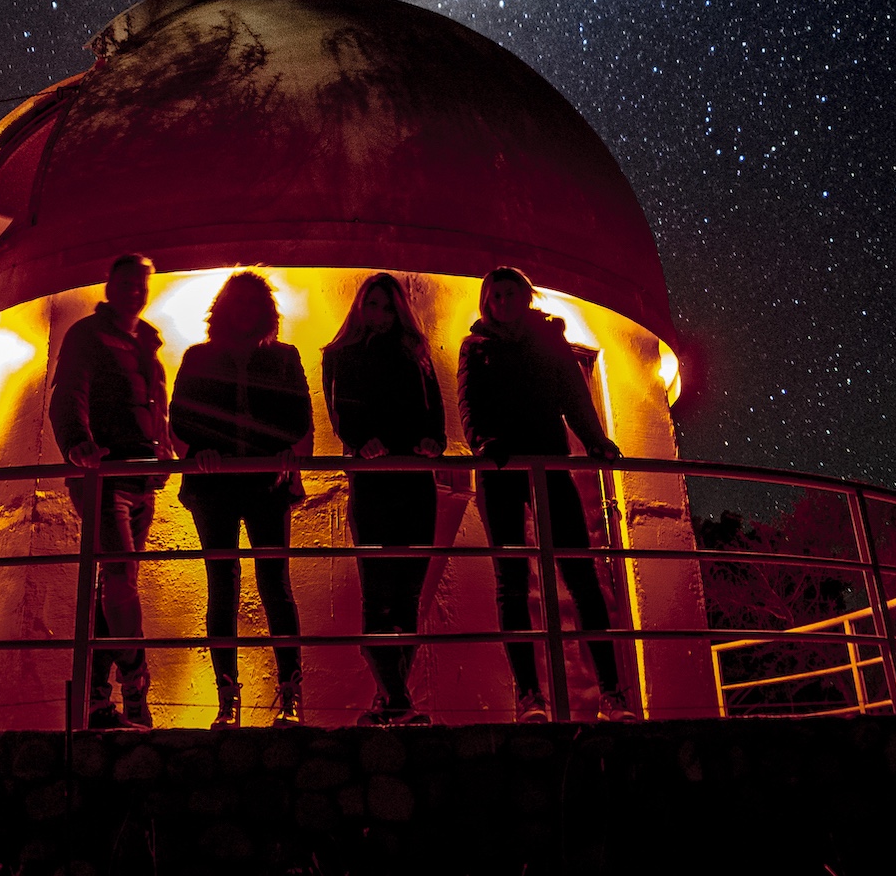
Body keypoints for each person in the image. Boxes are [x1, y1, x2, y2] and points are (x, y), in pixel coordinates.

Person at [458, 265, 633, 724]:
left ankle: (613, 694)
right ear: (486, 301)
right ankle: (529, 696)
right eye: (495, 295)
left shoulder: (549, 342)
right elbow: (469, 403)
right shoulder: (475, 347)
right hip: (499, 470)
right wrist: (482, 443)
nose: (504, 302)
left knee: (582, 578)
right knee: (511, 584)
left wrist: (595, 440)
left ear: (526, 297)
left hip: (550, 466)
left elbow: (574, 396)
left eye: (511, 294)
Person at [170, 271, 314, 727]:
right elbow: (180, 417)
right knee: (223, 587)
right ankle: (228, 698)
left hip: (266, 482)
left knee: (275, 584)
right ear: (224, 308)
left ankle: (289, 695)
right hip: (215, 485)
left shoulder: (285, 358)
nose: (246, 311)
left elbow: (301, 418)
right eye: (239, 302)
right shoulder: (197, 357)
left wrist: (290, 453)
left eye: (254, 303)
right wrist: (197, 451)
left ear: (265, 310)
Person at [50, 253, 172, 729]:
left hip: (141, 479)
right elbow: (69, 392)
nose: (134, 292)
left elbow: (154, 403)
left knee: (115, 586)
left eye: (141, 285)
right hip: (104, 477)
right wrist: (78, 445)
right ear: (109, 286)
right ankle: (137, 683)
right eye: (125, 283)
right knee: (119, 581)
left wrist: (162, 450)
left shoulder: (147, 343)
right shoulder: (87, 335)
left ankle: (100, 702)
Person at [324, 272, 449, 725]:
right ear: (360, 306)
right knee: (378, 591)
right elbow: (339, 410)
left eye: (387, 306)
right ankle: (398, 700)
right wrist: (361, 442)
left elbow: (435, 412)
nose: (378, 314)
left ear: (399, 310)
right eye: (372, 305)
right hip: (374, 479)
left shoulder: (417, 354)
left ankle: (389, 698)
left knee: (408, 596)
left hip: (415, 479)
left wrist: (434, 442)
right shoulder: (340, 355)